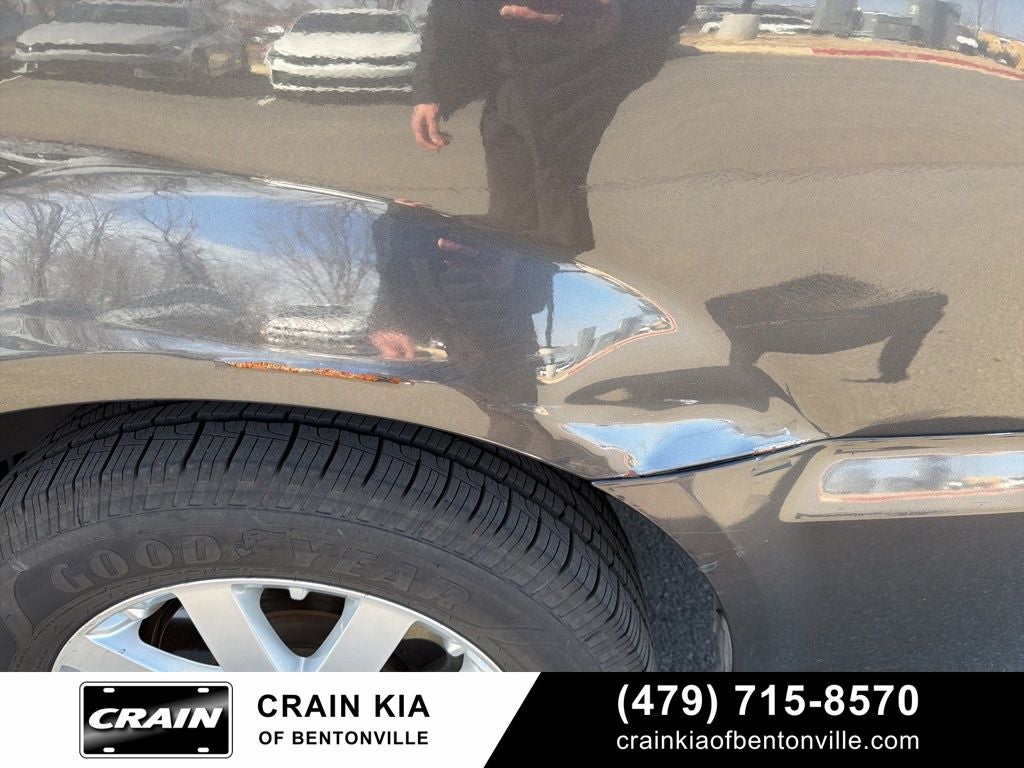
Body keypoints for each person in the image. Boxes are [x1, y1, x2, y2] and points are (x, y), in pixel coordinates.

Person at [411, 0, 694, 253]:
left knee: (563, 229)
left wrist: (614, 12)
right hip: (511, 81)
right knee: (509, 222)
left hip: (593, 79)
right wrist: (429, 90)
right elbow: (447, 12)